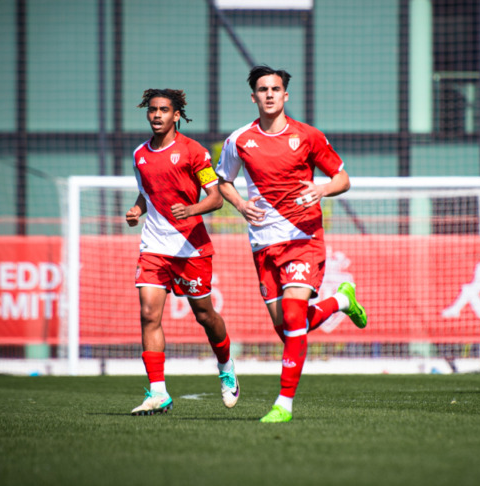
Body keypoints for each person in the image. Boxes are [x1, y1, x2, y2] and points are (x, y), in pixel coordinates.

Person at [216, 65, 367, 423]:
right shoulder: (239, 140)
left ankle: (283, 404)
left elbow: (342, 178)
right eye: (262, 89)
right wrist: (240, 205)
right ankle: (341, 300)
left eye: (275, 89)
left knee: (296, 315)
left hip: (303, 237)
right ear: (253, 97)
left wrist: (322, 189)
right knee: (285, 328)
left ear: (285, 95)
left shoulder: (308, 136)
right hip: (263, 245)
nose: (269, 94)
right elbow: (223, 181)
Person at [125, 88, 239, 415]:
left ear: (176, 115)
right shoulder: (139, 155)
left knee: (204, 315)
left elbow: (215, 198)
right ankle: (158, 392)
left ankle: (226, 366)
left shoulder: (194, 152)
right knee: (149, 315)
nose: (156, 115)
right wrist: (137, 210)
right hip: (154, 247)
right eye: (152, 109)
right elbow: (147, 194)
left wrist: (191, 210)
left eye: (163, 110)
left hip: (190, 248)